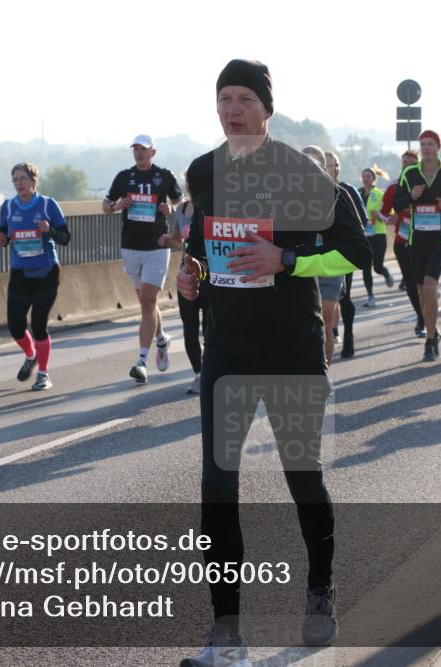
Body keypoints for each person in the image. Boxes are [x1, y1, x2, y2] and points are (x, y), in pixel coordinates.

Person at [178, 59, 371, 666]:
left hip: (290, 347)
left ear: (267, 109)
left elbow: (356, 253)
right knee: (217, 488)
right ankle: (227, 633)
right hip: (228, 351)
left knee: (302, 476)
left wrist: (289, 262)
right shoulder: (202, 172)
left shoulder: (301, 172)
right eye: (223, 98)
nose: (231, 109)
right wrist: (193, 275)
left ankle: (319, 588)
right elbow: (202, 242)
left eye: (243, 99)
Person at [103, 135, 183, 384]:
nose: (138, 153)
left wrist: (171, 210)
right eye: (135, 149)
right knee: (146, 304)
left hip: (157, 246)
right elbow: (105, 204)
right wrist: (117, 205)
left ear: (153, 152)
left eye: (143, 149)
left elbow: (182, 205)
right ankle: (161, 339)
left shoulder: (165, 176)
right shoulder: (124, 177)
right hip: (131, 246)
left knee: (148, 301)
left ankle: (141, 361)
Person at [393, 129, 441, 361]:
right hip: (416, 241)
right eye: (423, 144)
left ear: (438, 147)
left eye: (430, 144)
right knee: (421, 292)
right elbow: (397, 204)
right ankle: (434, 330)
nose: (426, 148)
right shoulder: (409, 174)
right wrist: (411, 197)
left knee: (429, 285)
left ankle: (430, 339)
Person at [0, 162, 71, 391]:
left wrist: (49, 230)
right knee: (15, 326)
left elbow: (66, 237)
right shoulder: (8, 207)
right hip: (20, 272)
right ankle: (31, 355)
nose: (19, 183)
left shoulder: (48, 205)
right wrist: (2, 240)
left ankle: (43, 373)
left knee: (39, 326)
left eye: (23, 178)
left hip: (46, 271)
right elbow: (4, 234)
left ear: (33, 180)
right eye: (15, 179)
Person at [304, 146, 347, 365]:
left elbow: (353, 235)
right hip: (302, 266)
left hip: (330, 266)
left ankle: (323, 371)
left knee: (326, 319)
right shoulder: (289, 198)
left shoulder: (338, 195)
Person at [164, 186, 208, 394]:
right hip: (187, 271)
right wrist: (167, 240)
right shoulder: (181, 210)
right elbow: (177, 240)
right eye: (190, 183)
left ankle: (211, 371)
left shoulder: (211, 207)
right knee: (189, 327)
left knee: (210, 327)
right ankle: (199, 374)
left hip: (209, 274)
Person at [324, 150, 367, 358]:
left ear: (337, 169)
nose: (325, 168)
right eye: (322, 165)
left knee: (344, 296)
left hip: (341, 254)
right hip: (316, 255)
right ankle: (329, 334)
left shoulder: (347, 190)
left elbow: (362, 222)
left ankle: (348, 335)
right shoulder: (304, 191)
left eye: (329, 165)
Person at [383, 150, 426, 337]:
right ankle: (421, 318)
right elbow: (384, 212)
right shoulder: (394, 186)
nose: (407, 164)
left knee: (423, 283)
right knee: (411, 283)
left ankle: (427, 315)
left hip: (424, 240)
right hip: (402, 241)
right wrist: (389, 218)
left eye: (411, 162)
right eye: (404, 162)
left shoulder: (426, 184)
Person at [358, 166, 395, 307]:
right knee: (366, 266)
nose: (365, 178)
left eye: (368, 176)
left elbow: (388, 215)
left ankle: (385, 273)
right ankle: (370, 296)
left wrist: (378, 216)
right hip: (364, 235)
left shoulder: (380, 194)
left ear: (374, 178)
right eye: (363, 176)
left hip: (378, 234)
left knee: (377, 266)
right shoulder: (358, 193)